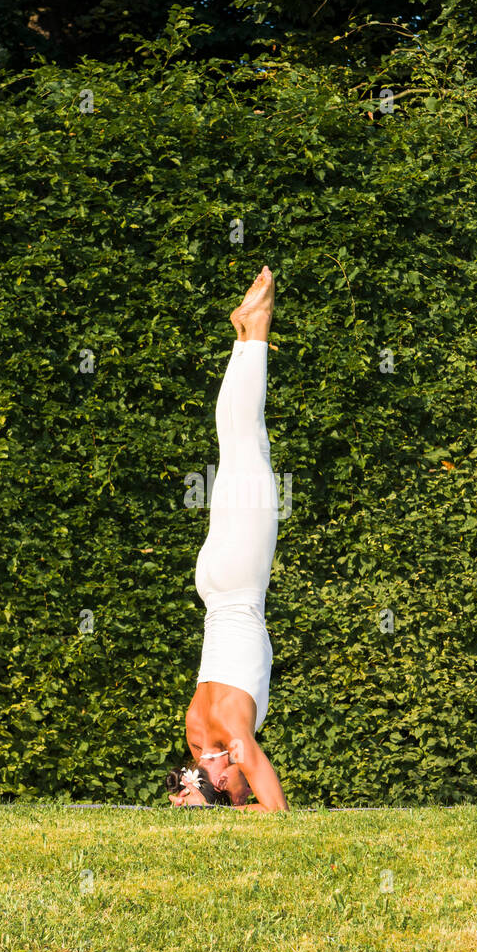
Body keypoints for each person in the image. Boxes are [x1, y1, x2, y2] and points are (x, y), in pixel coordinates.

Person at [168, 267, 288, 813]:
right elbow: (220, 777)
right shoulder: (197, 731)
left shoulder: (231, 735)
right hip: (212, 585)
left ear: (226, 781)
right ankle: (245, 337)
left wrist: (247, 808)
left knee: (249, 446)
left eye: (236, 798)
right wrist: (208, 794)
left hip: (238, 579)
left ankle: (256, 331)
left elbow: (274, 810)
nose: (246, 796)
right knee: (234, 447)